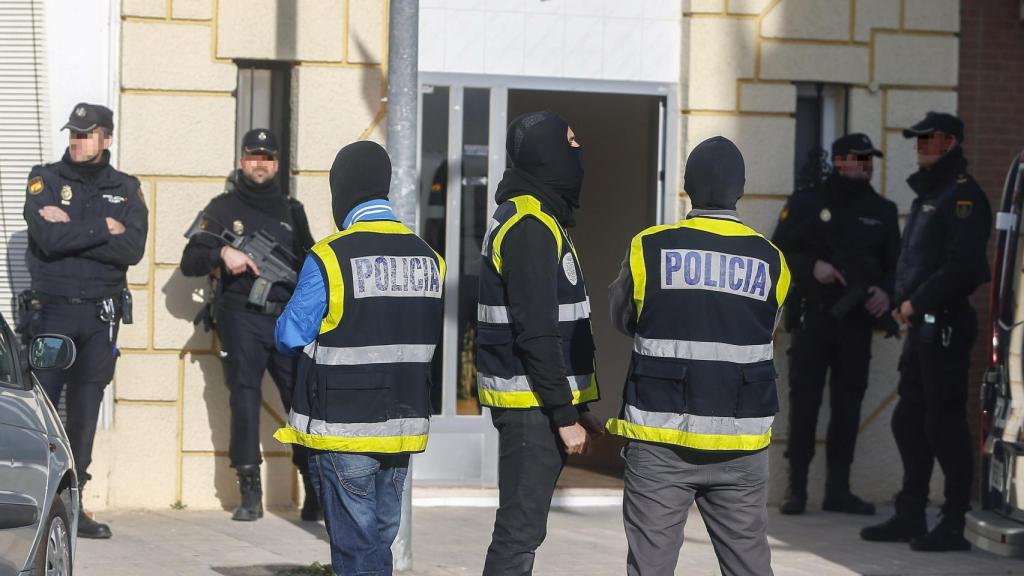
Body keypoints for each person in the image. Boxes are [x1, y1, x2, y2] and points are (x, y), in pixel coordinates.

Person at [606, 136, 790, 576]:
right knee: (749, 566)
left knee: (650, 566)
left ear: (687, 186)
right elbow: (767, 329)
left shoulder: (648, 247)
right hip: (740, 445)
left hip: (660, 439)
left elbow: (624, 318)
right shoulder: (772, 259)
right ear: (741, 189)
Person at [273, 141, 446, 576]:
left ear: (342, 192)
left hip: (345, 424)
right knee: (379, 542)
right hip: (404, 427)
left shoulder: (331, 256)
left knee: (354, 548)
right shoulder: (430, 258)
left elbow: (291, 333)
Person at [476, 111, 605, 575]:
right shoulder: (530, 225)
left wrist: (577, 404)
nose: (579, 150)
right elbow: (536, 331)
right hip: (529, 405)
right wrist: (562, 413)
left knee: (524, 529)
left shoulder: (539, 218)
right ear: (546, 153)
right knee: (519, 531)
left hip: (536, 401)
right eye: (570, 141)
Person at [860, 112, 991, 552]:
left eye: (927, 138)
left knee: (944, 425)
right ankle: (910, 513)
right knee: (908, 420)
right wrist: (904, 305)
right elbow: (914, 260)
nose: (918, 145)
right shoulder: (930, 194)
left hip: (947, 325)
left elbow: (963, 267)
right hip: (921, 327)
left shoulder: (963, 197)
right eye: (916, 139)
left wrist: (916, 302)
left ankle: (953, 522)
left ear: (950, 142)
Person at [22, 102, 149, 539]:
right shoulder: (45, 180)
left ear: (107, 139)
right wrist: (103, 227)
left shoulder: (126, 188)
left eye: (86, 133)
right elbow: (49, 239)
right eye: (73, 133)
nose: (77, 141)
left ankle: (75, 506)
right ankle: (32, 502)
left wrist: (75, 223)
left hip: (100, 316)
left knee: (84, 413)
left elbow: (132, 249)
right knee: (39, 410)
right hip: (53, 311)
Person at [180, 128, 319, 522]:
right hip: (240, 315)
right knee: (243, 398)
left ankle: (313, 486)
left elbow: (308, 261)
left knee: (302, 402)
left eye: (268, 157)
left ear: (277, 163)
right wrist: (223, 252)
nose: (261, 163)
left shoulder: (292, 210)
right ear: (242, 160)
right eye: (254, 156)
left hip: (286, 319)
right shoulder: (223, 208)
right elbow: (190, 260)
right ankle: (249, 488)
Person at [772, 133, 901, 516]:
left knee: (848, 404)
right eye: (858, 159)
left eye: (870, 160)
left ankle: (838, 490)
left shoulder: (883, 210)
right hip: (814, 317)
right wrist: (813, 267)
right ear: (839, 160)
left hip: (857, 323)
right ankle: (797, 488)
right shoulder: (807, 201)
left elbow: (896, 265)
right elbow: (779, 250)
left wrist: (885, 293)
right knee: (805, 402)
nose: (866, 165)